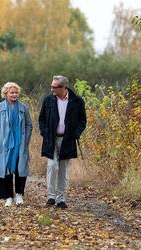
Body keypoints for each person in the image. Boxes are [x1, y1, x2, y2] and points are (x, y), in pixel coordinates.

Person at [38, 75, 86, 209]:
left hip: (67, 140)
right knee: (52, 166)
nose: (52, 89)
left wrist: (75, 135)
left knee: (64, 170)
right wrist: (45, 133)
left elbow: (83, 121)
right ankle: (51, 197)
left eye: (54, 87)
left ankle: (61, 199)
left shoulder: (77, 101)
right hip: (51, 139)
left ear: (63, 87)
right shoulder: (48, 101)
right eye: (51, 86)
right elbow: (41, 119)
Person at [0, 82, 33, 207]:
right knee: (6, 171)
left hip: (20, 144)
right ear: (5, 93)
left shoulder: (23, 108)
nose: (14, 94)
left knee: (20, 170)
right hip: (4, 145)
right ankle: (8, 197)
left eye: (16, 92)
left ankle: (19, 195)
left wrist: (26, 141)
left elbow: (29, 125)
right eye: (11, 92)